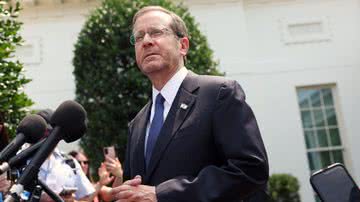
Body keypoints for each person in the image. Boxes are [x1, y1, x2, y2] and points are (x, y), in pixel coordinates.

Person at [111, 5, 269, 202]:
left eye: (156, 32)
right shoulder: (137, 123)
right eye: (139, 37)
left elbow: (251, 170)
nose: (146, 41)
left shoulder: (218, 93)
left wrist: (162, 194)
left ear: (183, 45)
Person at [34, 109, 95, 202]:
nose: (47, 138)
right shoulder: (16, 163)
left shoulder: (70, 163)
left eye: (51, 133)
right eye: (43, 133)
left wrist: (70, 200)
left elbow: (86, 197)